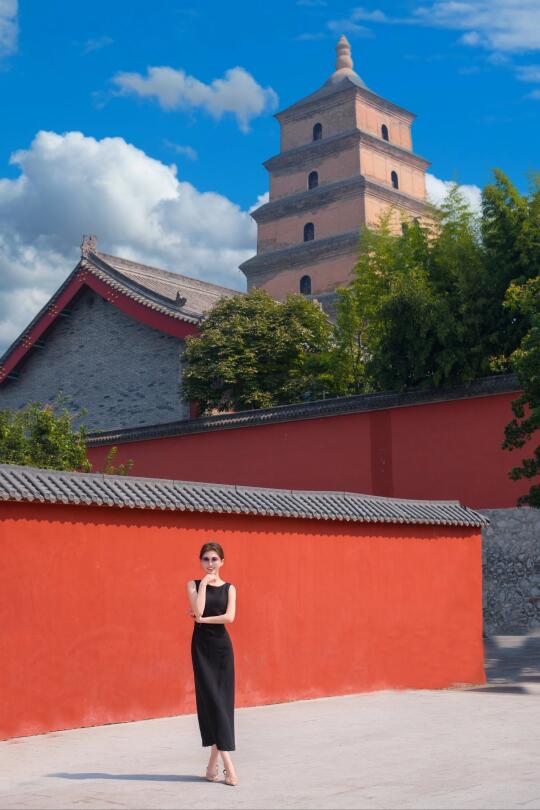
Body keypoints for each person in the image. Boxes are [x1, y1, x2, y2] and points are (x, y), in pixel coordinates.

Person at [186, 542, 238, 786]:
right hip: (201, 648)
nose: (210, 563)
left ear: (222, 561)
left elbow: (230, 617)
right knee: (212, 702)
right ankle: (229, 766)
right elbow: (198, 609)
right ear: (200, 561)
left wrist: (203, 620)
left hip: (223, 649)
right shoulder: (193, 585)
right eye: (206, 559)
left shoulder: (230, 588)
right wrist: (205, 583)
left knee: (222, 704)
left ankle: (211, 765)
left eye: (214, 559)